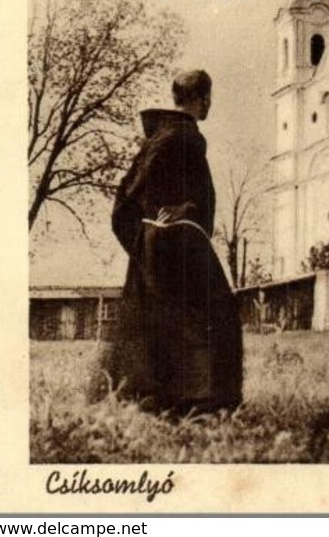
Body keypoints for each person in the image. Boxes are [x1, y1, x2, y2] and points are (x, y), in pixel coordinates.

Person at [103, 70, 242, 414]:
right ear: (200, 99)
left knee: (161, 324)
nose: (209, 104)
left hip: (155, 248)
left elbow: (123, 203)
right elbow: (193, 200)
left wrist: (143, 239)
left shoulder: (158, 137)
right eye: (207, 98)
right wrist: (178, 218)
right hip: (178, 247)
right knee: (213, 315)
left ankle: (159, 403)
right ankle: (202, 404)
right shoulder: (183, 138)